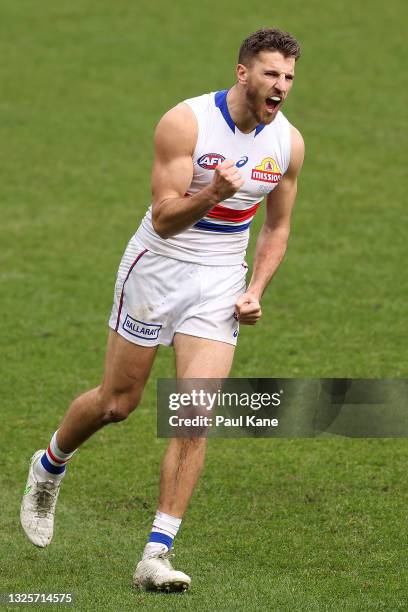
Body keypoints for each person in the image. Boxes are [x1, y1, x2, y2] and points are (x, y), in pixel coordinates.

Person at [20, 27, 304, 593]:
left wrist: (256, 290)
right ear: (243, 72)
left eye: (290, 77)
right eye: (271, 74)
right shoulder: (187, 123)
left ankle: (156, 553)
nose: (281, 87)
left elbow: (277, 226)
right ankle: (49, 465)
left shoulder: (288, 143)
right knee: (117, 403)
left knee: (193, 416)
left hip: (221, 280)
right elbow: (164, 217)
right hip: (158, 267)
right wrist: (211, 194)